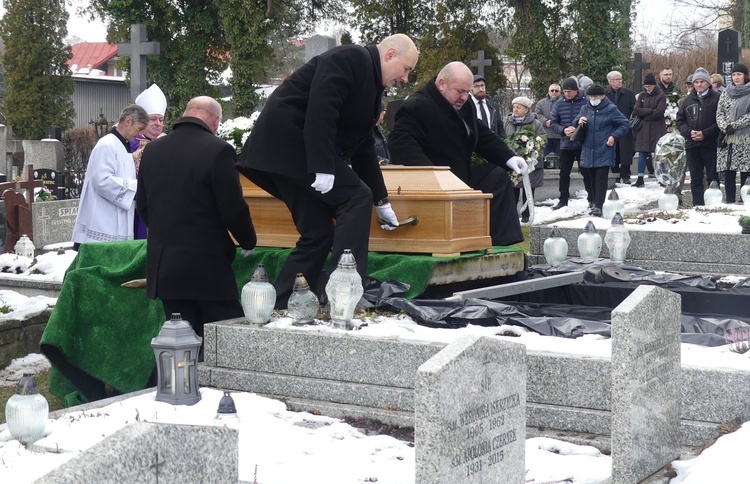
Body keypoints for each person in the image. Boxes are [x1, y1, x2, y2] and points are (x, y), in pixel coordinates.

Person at [237, 34, 418, 308]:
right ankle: (343, 293)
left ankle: (278, 303)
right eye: (406, 69)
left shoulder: (371, 85)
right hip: (289, 147)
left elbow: (364, 146)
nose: (405, 79)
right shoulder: (350, 59)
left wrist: (382, 201)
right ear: (390, 54)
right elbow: (321, 108)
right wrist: (322, 166)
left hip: (294, 153)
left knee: (319, 233)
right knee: (356, 197)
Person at [135, 96, 257, 341]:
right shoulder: (218, 150)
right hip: (206, 266)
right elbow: (232, 207)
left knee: (180, 343)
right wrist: (248, 240)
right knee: (223, 340)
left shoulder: (153, 150)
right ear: (215, 121)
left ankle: (178, 380)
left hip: (166, 266)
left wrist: (165, 234)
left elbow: (143, 204)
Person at [388, 61, 528, 246]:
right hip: (434, 186)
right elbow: (400, 144)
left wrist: (508, 157)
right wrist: (434, 176)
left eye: (467, 91)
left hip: (461, 176)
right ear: (442, 84)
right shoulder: (417, 106)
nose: (464, 97)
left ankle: (502, 242)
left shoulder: (464, 104)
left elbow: (478, 133)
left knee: (496, 176)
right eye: (460, 91)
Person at [71, 104, 149, 249]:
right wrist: (137, 188)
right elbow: (102, 181)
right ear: (128, 121)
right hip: (102, 224)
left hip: (116, 220)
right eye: (139, 129)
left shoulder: (123, 146)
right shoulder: (106, 145)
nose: (139, 135)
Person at [574, 85, 630, 217]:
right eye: (591, 96)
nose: (593, 99)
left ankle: (599, 205)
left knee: (600, 178)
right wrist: (578, 120)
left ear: (602, 96)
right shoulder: (585, 108)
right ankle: (593, 201)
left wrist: (614, 136)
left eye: (596, 96)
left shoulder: (610, 109)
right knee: (590, 178)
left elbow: (625, 124)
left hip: (604, 148)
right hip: (588, 148)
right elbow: (575, 121)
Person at [676, 67, 721, 206]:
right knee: (695, 178)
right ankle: (698, 205)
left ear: (708, 83)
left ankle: (713, 205)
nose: (699, 85)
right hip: (692, 144)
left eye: (702, 82)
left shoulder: (717, 98)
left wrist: (705, 133)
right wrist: (689, 132)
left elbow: (720, 121)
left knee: (712, 177)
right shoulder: (688, 100)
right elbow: (680, 120)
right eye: (696, 82)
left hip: (710, 144)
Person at [132, 83, 167, 239]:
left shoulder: (168, 141)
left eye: (161, 119)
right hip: (140, 202)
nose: (158, 123)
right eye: (153, 119)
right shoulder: (132, 142)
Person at [504, 96, 545, 223]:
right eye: (514, 107)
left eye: (519, 107)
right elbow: (503, 137)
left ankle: (527, 215)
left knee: (529, 189)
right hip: (513, 161)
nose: (515, 110)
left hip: (530, 162)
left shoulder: (535, 123)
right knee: (513, 189)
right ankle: (513, 215)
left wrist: (534, 148)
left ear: (526, 110)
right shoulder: (508, 122)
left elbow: (543, 138)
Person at [550, 76, 588, 210]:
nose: (567, 94)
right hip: (566, 143)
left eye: (570, 91)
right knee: (564, 172)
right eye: (565, 91)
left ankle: (592, 198)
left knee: (586, 172)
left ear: (577, 90)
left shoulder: (585, 101)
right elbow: (553, 122)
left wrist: (577, 128)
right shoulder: (559, 103)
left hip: (582, 143)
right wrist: (563, 130)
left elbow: (590, 118)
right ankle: (563, 199)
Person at [716, 63, 750, 203]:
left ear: (745, 76)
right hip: (727, 138)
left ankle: (745, 201)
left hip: (744, 138)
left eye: (739, 74)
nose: (736, 77)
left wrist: (734, 126)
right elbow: (719, 113)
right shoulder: (726, 92)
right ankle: (729, 201)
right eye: (734, 74)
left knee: (745, 170)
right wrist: (725, 127)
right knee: (728, 170)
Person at [633, 73, 667, 187]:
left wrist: (645, 113)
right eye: (646, 86)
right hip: (643, 128)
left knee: (659, 154)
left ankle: (662, 177)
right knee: (642, 152)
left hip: (657, 128)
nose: (648, 88)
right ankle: (640, 178)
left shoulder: (661, 96)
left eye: (650, 86)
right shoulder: (642, 95)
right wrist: (650, 111)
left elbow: (659, 112)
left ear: (654, 85)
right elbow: (637, 110)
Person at [604, 70, 636, 184]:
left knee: (626, 151)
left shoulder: (629, 93)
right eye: (617, 79)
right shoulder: (605, 94)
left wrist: (630, 122)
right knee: (613, 150)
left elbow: (634, 110)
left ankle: (626, 174)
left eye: (620, 79)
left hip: (625, 125)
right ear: (610, 81)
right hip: (610, 127)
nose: (620, 81)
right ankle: (615, 174)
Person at [535, 83, 562, 157]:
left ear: (560, 92)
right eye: (552, 90)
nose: (554, 92)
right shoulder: (541, 103)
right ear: (548, 91)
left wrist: (555, 122)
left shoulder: (564, 102)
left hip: (559, 136)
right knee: (543, 158)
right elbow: (537, 115)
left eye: (556, 91)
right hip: (545, 135)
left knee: (560, 159)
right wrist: (545, 122)